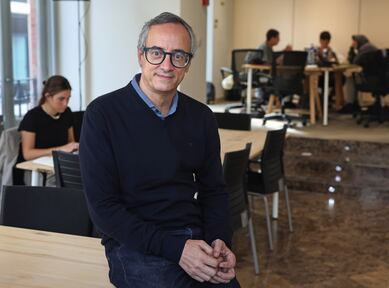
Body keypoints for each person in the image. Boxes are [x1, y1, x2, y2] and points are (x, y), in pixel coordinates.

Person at [79, 12, 240, 287]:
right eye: (157, 53)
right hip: (134, 246)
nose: (167, 64)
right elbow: (103, 209)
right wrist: (177, 250)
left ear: (187, 64)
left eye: (178, 55)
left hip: (194, 238)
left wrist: (219, 239)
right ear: (141, 55)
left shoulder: (201, 117)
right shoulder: (102, 114)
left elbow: (214, 190)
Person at [13, 75, 79, 185]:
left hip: (54, 166)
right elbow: (28, 154)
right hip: (32, 170)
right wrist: (60, 150)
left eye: (68, 98)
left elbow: (70, 143)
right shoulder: (32, 117)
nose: (65, 103)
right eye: (61, 99)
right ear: (48, 96)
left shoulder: (67, 113)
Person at [340, 34, 378, 114]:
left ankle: (350, 104)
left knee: (349, 75)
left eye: (354, 41)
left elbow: (354, 62)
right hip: (377, 78)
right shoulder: (369, 47)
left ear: (359, 41)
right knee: (353, 75)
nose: (352, 43)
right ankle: (354, 103)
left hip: (370, 80)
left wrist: (351, 49)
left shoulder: (365, 48)